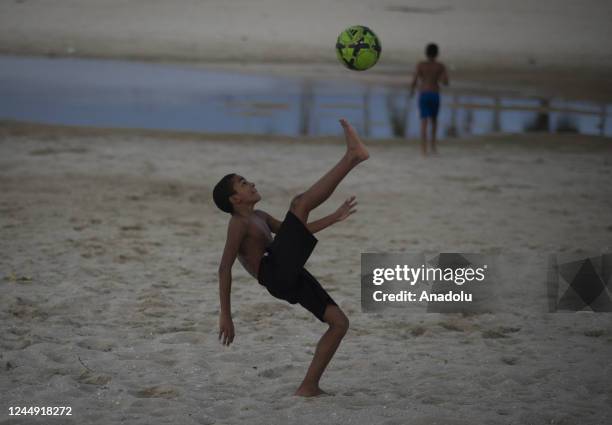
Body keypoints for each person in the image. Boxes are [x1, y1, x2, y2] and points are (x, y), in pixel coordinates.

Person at [213, 119, 369, 397]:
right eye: (243, 184)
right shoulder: (238, 223)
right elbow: (225, 268)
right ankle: (352, 156)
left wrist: (334, 217)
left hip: (287, 272)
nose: (251, 184)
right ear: (235, 200)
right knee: (299, 203)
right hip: (274, 272)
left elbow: (294, 233)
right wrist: (226, 315)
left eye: (247, 180)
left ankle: (309, 386)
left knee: (339, 323)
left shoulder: (259, 217)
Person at [410, 43, 450, 155]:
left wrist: (412, 91)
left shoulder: (420, 65)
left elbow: (414, 80)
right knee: (434, 121)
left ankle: (423, 149)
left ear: (426, 52)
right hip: (434, 94)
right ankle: (433, 146)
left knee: (424, 122)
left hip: (423, 94)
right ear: (437, 53)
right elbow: (445, 82)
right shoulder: (440, 66)